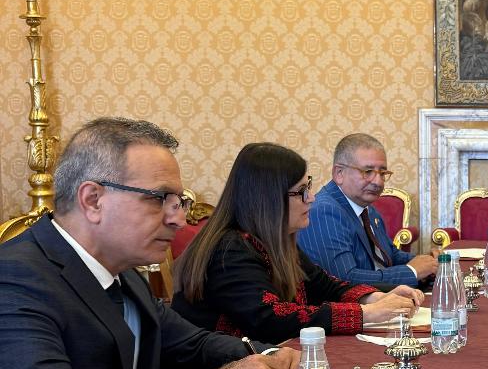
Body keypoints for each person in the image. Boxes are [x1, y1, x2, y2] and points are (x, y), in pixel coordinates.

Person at [0, 119, 297, 369]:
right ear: (93, 200)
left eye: (179, 202)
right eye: (159, 199)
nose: (178, 219)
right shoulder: (15, 278)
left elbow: (190, 344)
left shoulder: (123, 272)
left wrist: (266, 357)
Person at [171, 143, 422, 342]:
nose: (311, 198)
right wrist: (366, 314)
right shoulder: (230, 250)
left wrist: (374, 298)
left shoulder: (276, 241)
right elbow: (270, 319)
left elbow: (325, 285)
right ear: (269, 199)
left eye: (308, 187)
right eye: (301, 191)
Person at [298, 133, 439, 289]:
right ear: (339, 173)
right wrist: (412, 272)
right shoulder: (324, 212)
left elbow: (390, 254)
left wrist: (428, 263)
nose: (378, 182)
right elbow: (344, 280)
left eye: (382, 173)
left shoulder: (367, 209)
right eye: (368, 172)